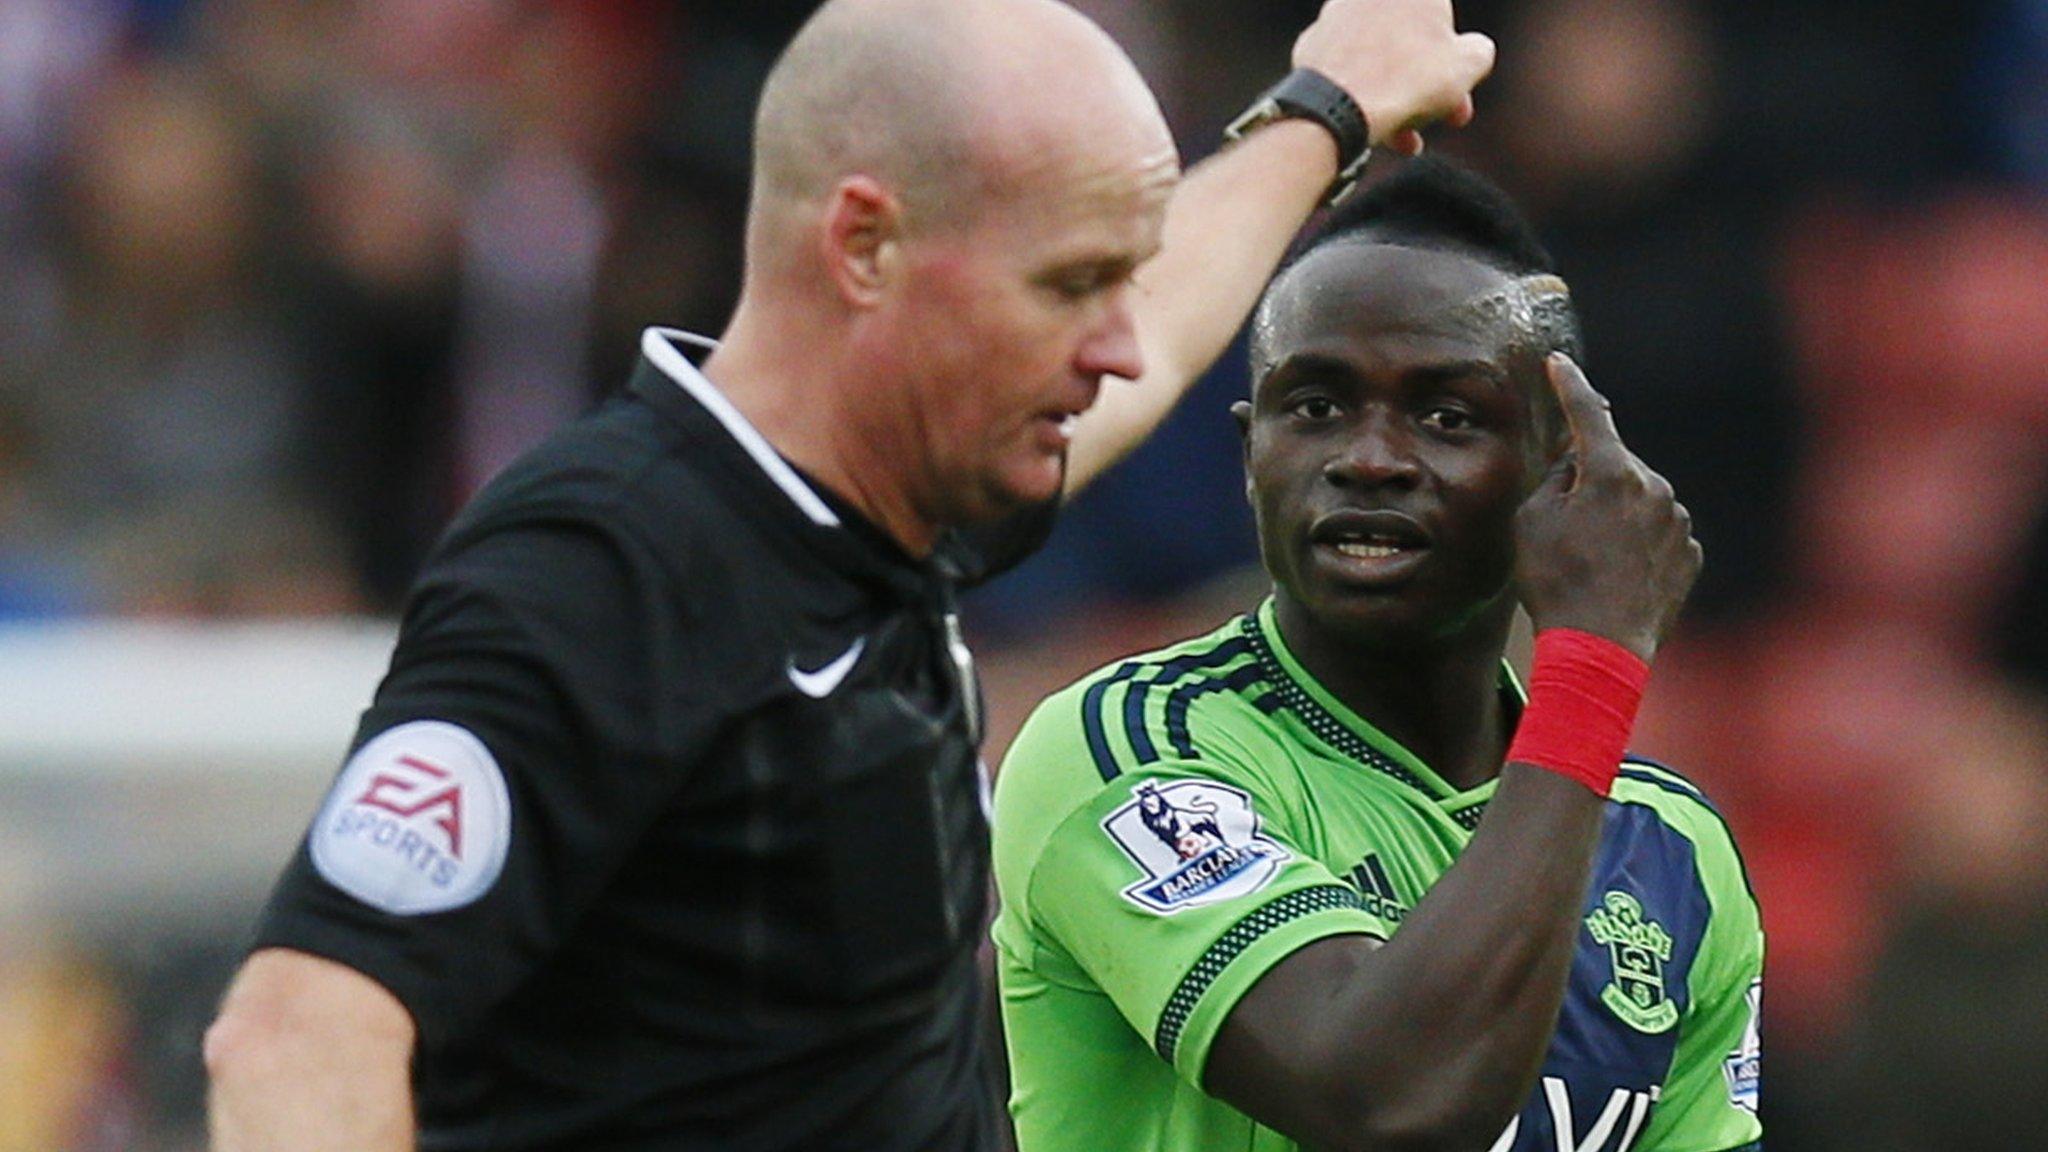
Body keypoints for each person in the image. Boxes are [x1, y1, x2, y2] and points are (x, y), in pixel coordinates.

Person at [201, 1, 1497, 1150]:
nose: (1112, 344)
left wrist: (1326, 106)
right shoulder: (607, 566)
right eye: (1070, 285)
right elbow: (299, 1033)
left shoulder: (891, 504)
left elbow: (1155, 338)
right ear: (866, 247)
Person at [991, 159, 1761, 1152]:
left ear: (1555, 480)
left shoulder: (1671, 853)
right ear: (1248, 455)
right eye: (1313, 406)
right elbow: (1383, 1102)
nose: (1368, 459)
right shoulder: (1128, 752)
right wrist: (1597, 658)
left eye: (1445, 416)